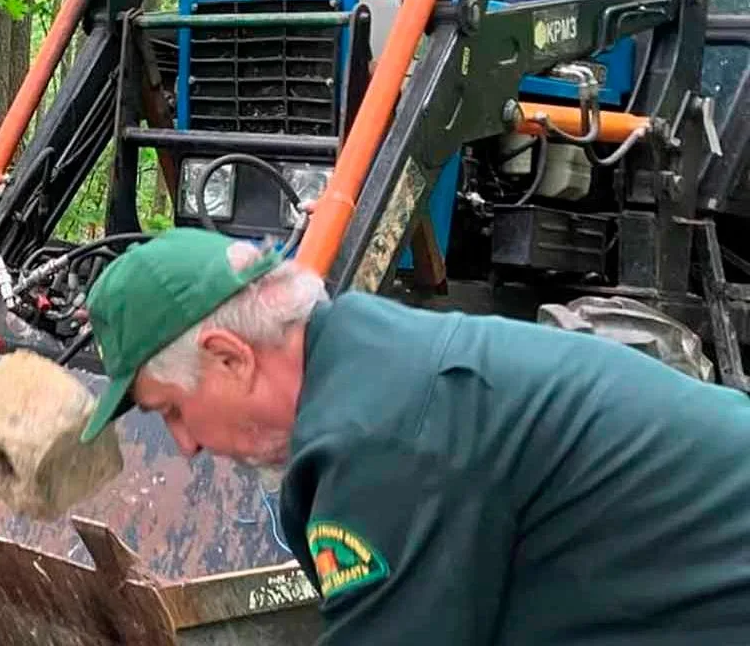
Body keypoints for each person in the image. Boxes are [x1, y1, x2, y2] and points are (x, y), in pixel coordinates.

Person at [77, 227, 750, 643]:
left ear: (231, 356)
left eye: (171, 411)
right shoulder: (370, 365)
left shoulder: (386, 438)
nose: (185, 445)